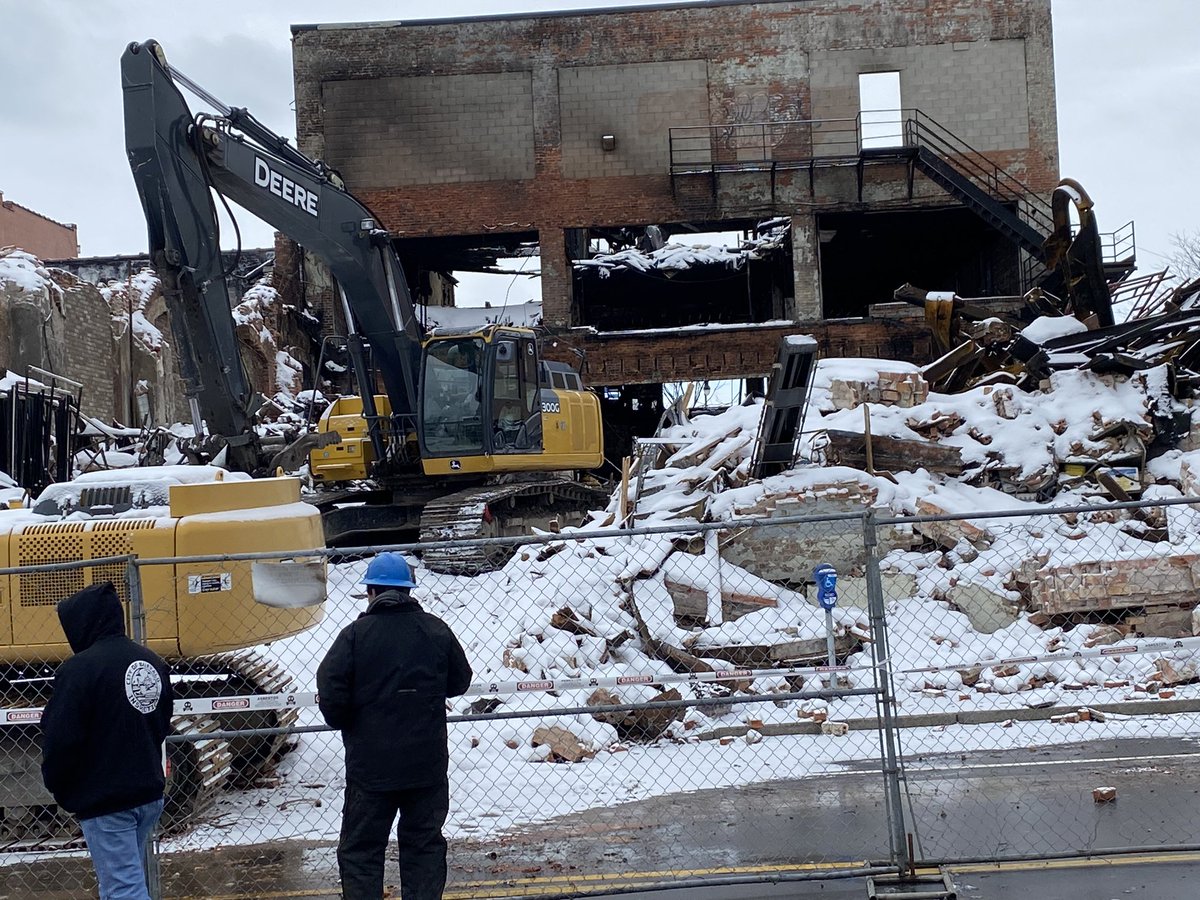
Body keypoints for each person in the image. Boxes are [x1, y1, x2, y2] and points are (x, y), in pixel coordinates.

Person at [318, 553, 472, 900]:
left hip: (371, 770)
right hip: (426, 767)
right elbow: (460, 681)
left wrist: (349, 720)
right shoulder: (435, 630)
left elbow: (331, 695)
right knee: (423, 847)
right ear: (408, 591)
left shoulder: (355, 637)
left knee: (361, 851)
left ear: (371, 592)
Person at [41, 581, 174, 900]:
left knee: (122, 888)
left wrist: (62, 788)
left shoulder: (79, 670)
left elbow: (61, 739)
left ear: (82, 623)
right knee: (128, 880)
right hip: (148, 795)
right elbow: (161, 720)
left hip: (107, 801)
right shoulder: (150, 661)